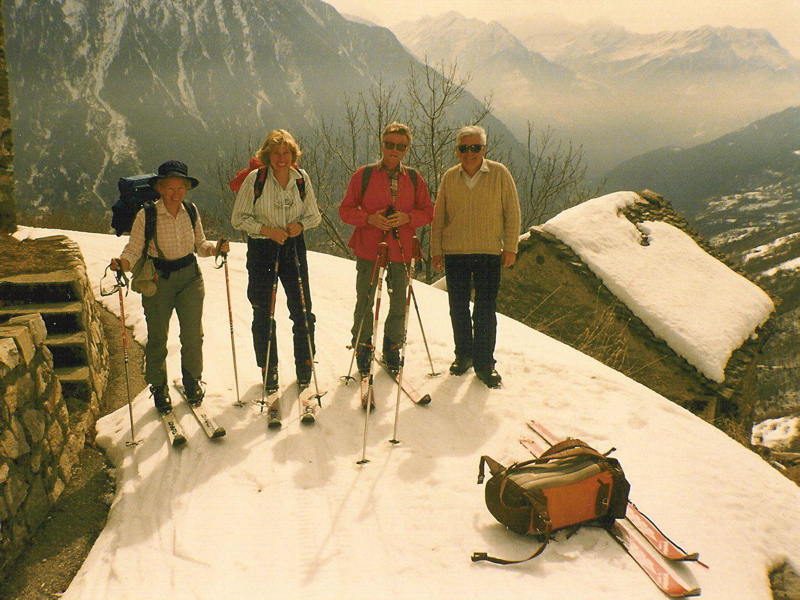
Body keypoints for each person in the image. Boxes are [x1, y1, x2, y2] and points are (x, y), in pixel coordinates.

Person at [110, 160, 229, 413]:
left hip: (190, 278)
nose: (176, 193)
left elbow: (200, 244)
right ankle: (158, 387)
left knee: (193, 335)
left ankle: (192, 381)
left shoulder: (191, 210)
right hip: (158, 280)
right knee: (157, 338)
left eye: (181, 188)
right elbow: (134, 248)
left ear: (187, 189)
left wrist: (216, 249)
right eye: (170, 188)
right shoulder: (147, 214)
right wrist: (123, 263)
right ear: (160, 188)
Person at [339, 122, 434, 375]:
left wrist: (407, 218)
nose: (394, 150)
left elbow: (428, 212)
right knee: (365, 300)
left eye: (400, 147)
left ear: (407, 150)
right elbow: (345, 210)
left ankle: (392, 348)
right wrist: (369, 218)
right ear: (382, 144)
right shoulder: (364, 175)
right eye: (389, 144)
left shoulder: (413, 178)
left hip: (401, 250)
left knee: (399, 301)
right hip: (369, 248)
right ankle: (363, 347)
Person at [430, 125, 521, 388]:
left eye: (475, 148)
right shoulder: (450, 177)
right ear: (457, 150)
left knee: (484, 309)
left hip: (489, 252)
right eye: (463, 148)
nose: (469, 153)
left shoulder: (499, 174)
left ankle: (485, 363)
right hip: (455, 252)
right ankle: (464, 355)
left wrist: (511, 247)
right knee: (457, 308)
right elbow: (439, 217)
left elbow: (512, 213)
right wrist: (437, 250)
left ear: (484, 148)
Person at [231, 129, 322, 390]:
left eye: (286, 153)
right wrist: (267, 230)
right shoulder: (254, 179)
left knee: (302, 309)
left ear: (294, 155)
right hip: (262, 249)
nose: (282, 159)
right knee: (263, 310)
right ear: (267, 155)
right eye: (276, 153)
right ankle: (268, 368)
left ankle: (305, 364)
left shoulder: (301, 178)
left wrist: (300, 226)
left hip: (293, 246)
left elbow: (314, 215)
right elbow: (238, 218)